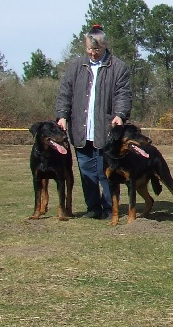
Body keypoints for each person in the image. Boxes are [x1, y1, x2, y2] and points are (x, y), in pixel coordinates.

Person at [55, 24, 132, 219]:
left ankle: (109, 207)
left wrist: (120, 114)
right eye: (89, 49)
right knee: (86, 172)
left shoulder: (118, 67)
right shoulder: (76, 66)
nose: (92, 53)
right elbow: (65, 93)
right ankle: (93, 208)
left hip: (105, 129)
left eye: (96, 49)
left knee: (104, 172)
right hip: (81, 130)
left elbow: (123, 94)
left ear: (104, 46)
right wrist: (62, 115)